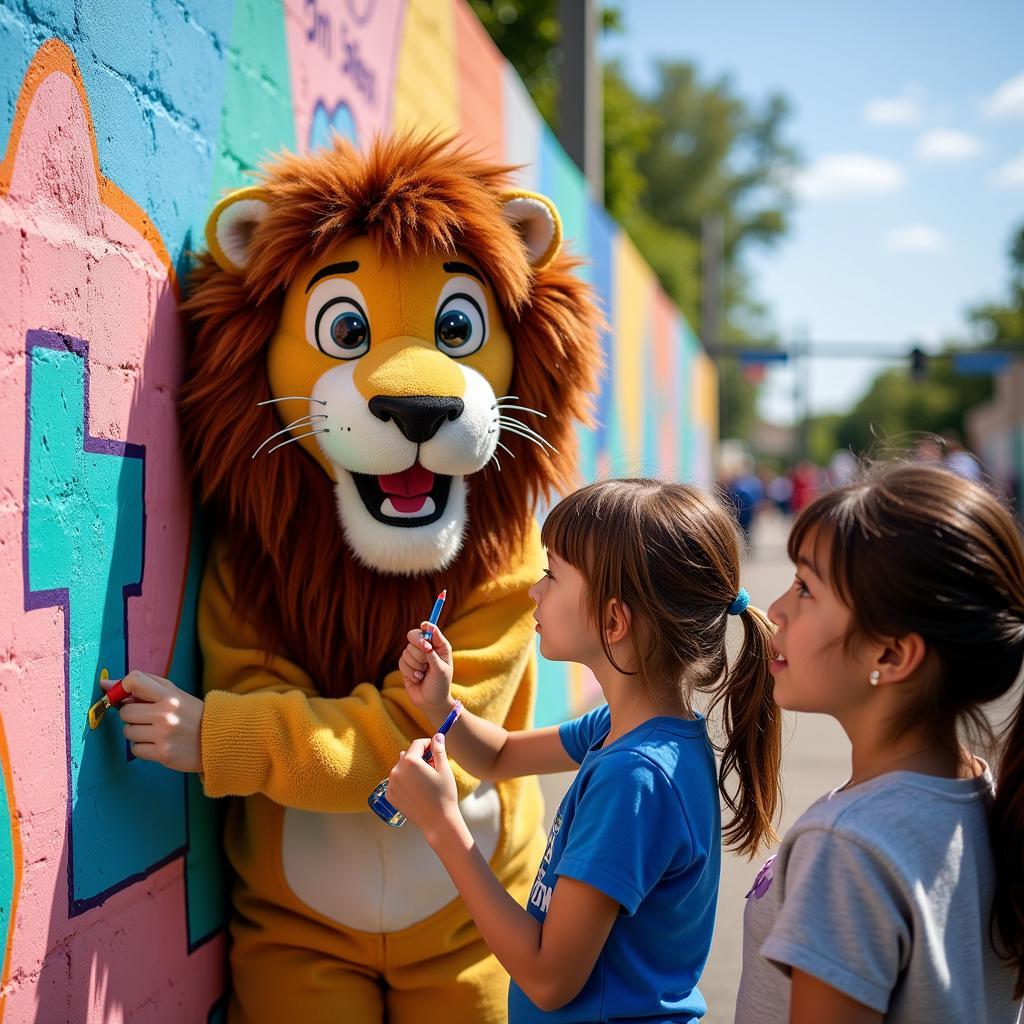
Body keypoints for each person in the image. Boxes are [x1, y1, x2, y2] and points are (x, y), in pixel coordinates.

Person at [386, 478, 783, 1022]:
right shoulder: (632, 730)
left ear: (613, 620)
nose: (534, 590)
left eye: (552, 574)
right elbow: (497, 756)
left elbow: (550, 979)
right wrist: (441, 706)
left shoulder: (634, 777)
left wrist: (442, 826)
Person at [736, 462, 1024, 1024]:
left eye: (805, 588)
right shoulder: (981, 792)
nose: (775, 611)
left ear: (890, 655)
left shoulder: (847, 847)